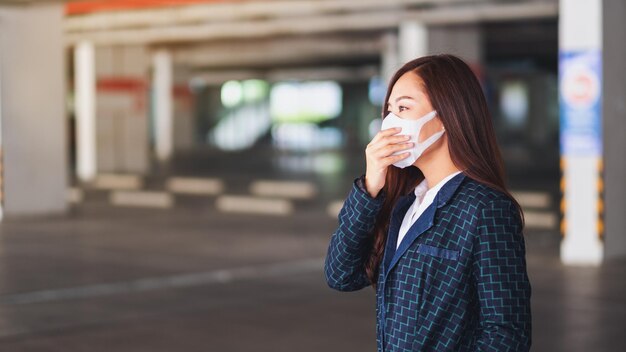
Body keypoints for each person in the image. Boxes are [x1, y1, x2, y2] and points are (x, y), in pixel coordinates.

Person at [324, 54, 531, 352]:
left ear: (447, 115)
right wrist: (370, 186)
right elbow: (340, 274)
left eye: (404, 108)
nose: (391, 122)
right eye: (389, 111)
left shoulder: (485, 208)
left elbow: (506, 335)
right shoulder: (405, 203)